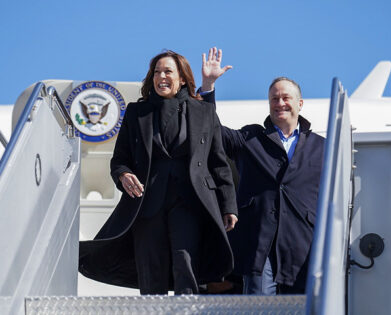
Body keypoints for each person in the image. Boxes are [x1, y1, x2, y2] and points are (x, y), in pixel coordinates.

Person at [79, 50, 238, 295]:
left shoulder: (203, 112)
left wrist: (229, 205)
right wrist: (123, 175)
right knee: (151, 270)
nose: (161, 76)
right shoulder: (136, 113)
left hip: (190, 203)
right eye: (156, 72)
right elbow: (119, 161)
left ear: (182, 78)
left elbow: (218, 163)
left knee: (185, 264)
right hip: (146, 205)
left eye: (167, 71)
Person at [200, 47, 325, 295]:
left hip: (304, 244)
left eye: (286, 98)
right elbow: (211, 132)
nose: (280, 103)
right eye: (274, 99)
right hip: (259, 243)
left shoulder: (322, 147)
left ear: (300, 103)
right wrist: (208, 87)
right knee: (258, 306)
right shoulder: (251, 137)